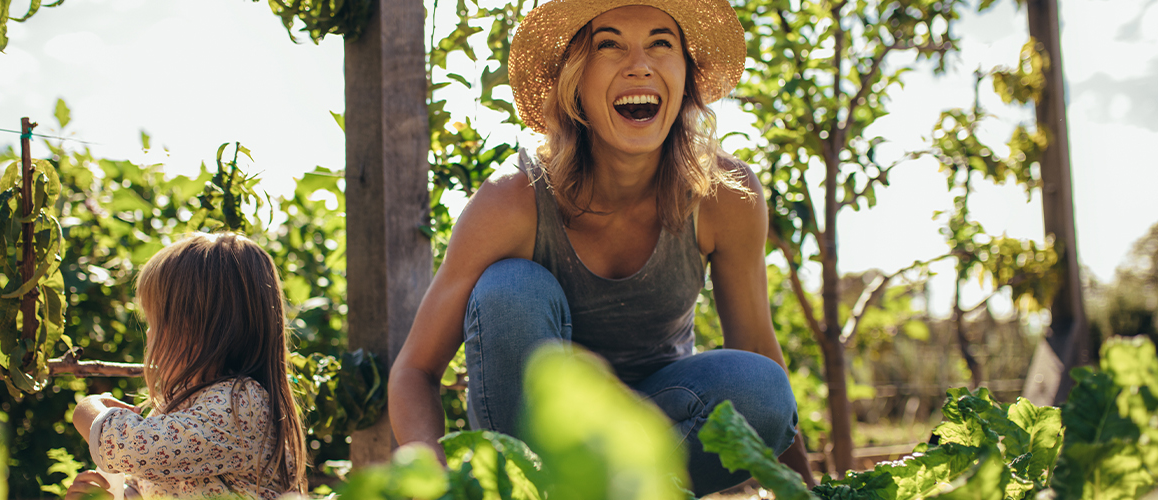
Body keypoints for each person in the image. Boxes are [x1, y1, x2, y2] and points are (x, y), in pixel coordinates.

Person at [388, 0, 816, 494]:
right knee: (510, 288)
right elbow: (415, 370)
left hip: (662, 428)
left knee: (762, 387)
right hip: (532, 444)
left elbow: (757, 347)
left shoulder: (724, 193)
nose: (640, 63)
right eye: (609, 45)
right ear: (575, 81)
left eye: (662, 43)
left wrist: (804, 487)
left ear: (686, 77)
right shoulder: (512, 202)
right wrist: (434, 480)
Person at [65, 233, 308, 500]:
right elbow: (154, 486)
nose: (148, 334)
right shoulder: (182, 408)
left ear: (191, 328)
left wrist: (87, 410)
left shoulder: (240, 403)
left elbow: (133, 448)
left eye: (153, 321)